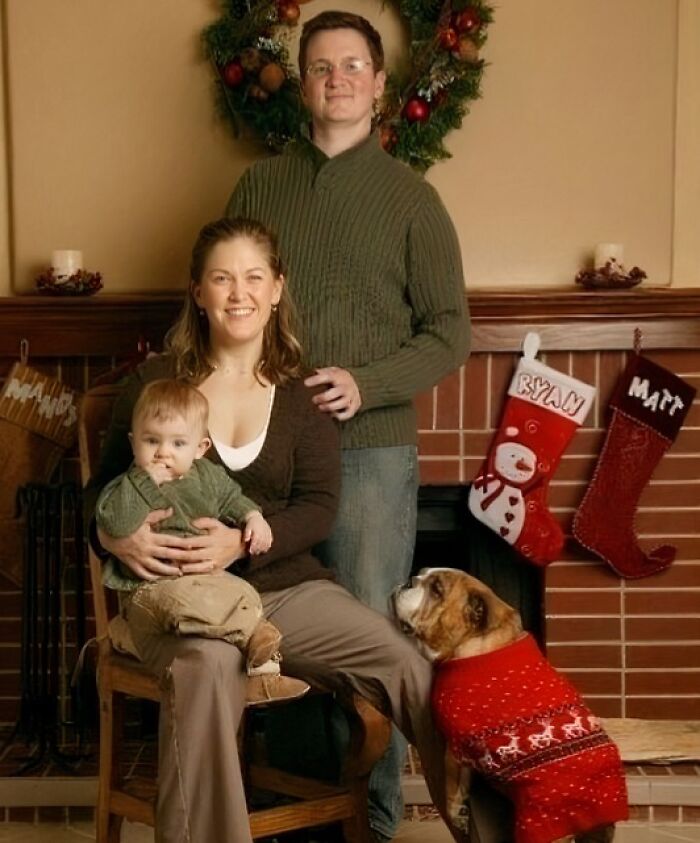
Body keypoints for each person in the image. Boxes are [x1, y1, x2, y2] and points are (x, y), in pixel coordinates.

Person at [85, 217, 501, 843]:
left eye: (253, 277)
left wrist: (242, 541)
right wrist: (115, 538)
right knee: (203, 672)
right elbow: (96, 495)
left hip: (286, 592)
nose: (238, 293)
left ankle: (499, 831)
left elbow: (317, 506)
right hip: (186, 605)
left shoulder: (301, 394)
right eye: (221, 278)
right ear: (197, 291)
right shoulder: (156, 384)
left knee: (408, 662)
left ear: (277, 288)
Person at [226, 11, 471, 839]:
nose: (338, 78)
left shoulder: (413, 199)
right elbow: (232, 292)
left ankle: (372, 820)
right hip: (269, 455)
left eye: (353, 66)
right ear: (303, 85)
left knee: (368, 625)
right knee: (275, 623)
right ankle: (295, 815)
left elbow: (449, 331)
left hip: (368, 452)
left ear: (378, 84)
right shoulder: (260, 187)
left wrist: (367, 383)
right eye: (321, 66)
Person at [95, 377, 308, 704]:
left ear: (200, 448)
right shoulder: (128, 484)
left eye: (178, 444)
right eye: (151, 441)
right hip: (150, 586)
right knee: (185, 604)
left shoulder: (208, 478)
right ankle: (253, 640)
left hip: (204, 579)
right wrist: (142, 482)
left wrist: (253, 518)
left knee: (241, 590)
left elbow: (233, 500)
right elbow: (114, 521)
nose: (163, 453)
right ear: (133, 441)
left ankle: (260, 666)